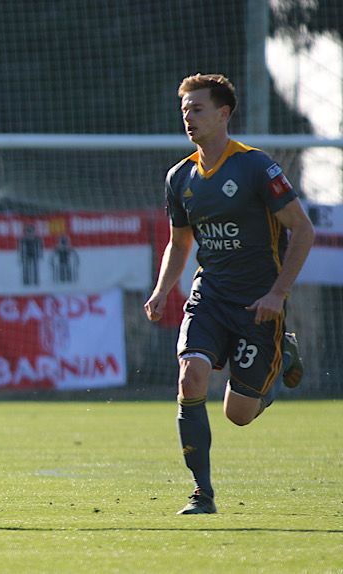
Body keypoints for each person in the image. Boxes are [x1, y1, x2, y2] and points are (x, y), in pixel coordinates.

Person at [144, 74, 313, 515]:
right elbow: (180, 243)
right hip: (210, 296)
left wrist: (278, 294)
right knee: (190, 377)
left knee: (238, 413)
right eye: (184, 111)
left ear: (223, 114)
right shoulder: (179, 177)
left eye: (197, 109)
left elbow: (303, 230)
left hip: (260, 304)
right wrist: (163, 289)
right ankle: (202, 494)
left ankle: (282, 357)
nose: (188, 117)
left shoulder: (256, 167)